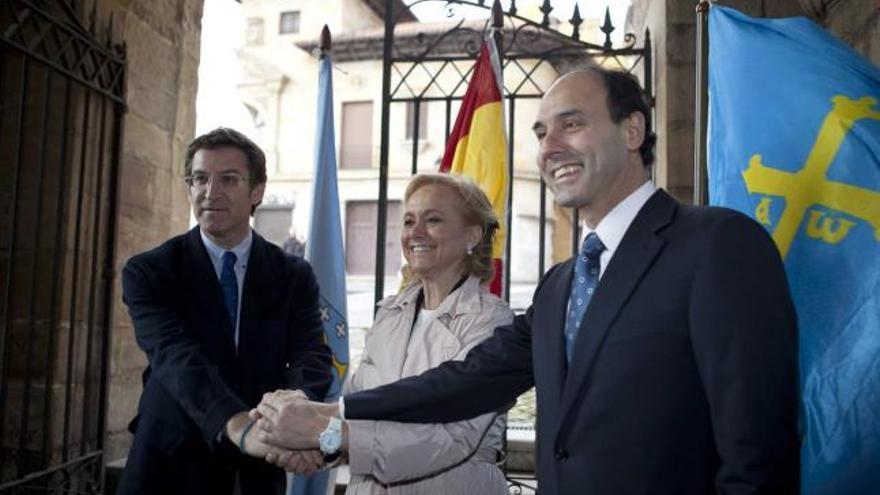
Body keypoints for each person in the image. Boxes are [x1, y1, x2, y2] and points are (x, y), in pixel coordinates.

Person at [253, 68, 800, 494]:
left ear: (632, 130)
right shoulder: (560, 283)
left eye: (572, 123)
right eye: (540, 131)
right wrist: (337, 412)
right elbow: (464, 380)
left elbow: (758, 452)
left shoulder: (716, 244)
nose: (549, 146)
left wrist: (326, 428)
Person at [261, 173, 513, 494]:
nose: (415, 232)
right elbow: (356, 407)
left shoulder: (492, 323)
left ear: (472, 236)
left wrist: (322, 430)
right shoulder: (389, 314)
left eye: (433, 220)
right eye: (408, 221)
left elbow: (452, 437)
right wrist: (316, 447)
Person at [117, 127, 332, 495]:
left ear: (257, 191)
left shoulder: (293, 274)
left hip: (261, 463)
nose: (210, 192)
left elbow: (310, 355)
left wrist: (295, 413)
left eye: (228, 179)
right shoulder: (150, 271)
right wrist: (237, 426)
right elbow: (176, 357)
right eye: (200, 178)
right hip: (169, 460)